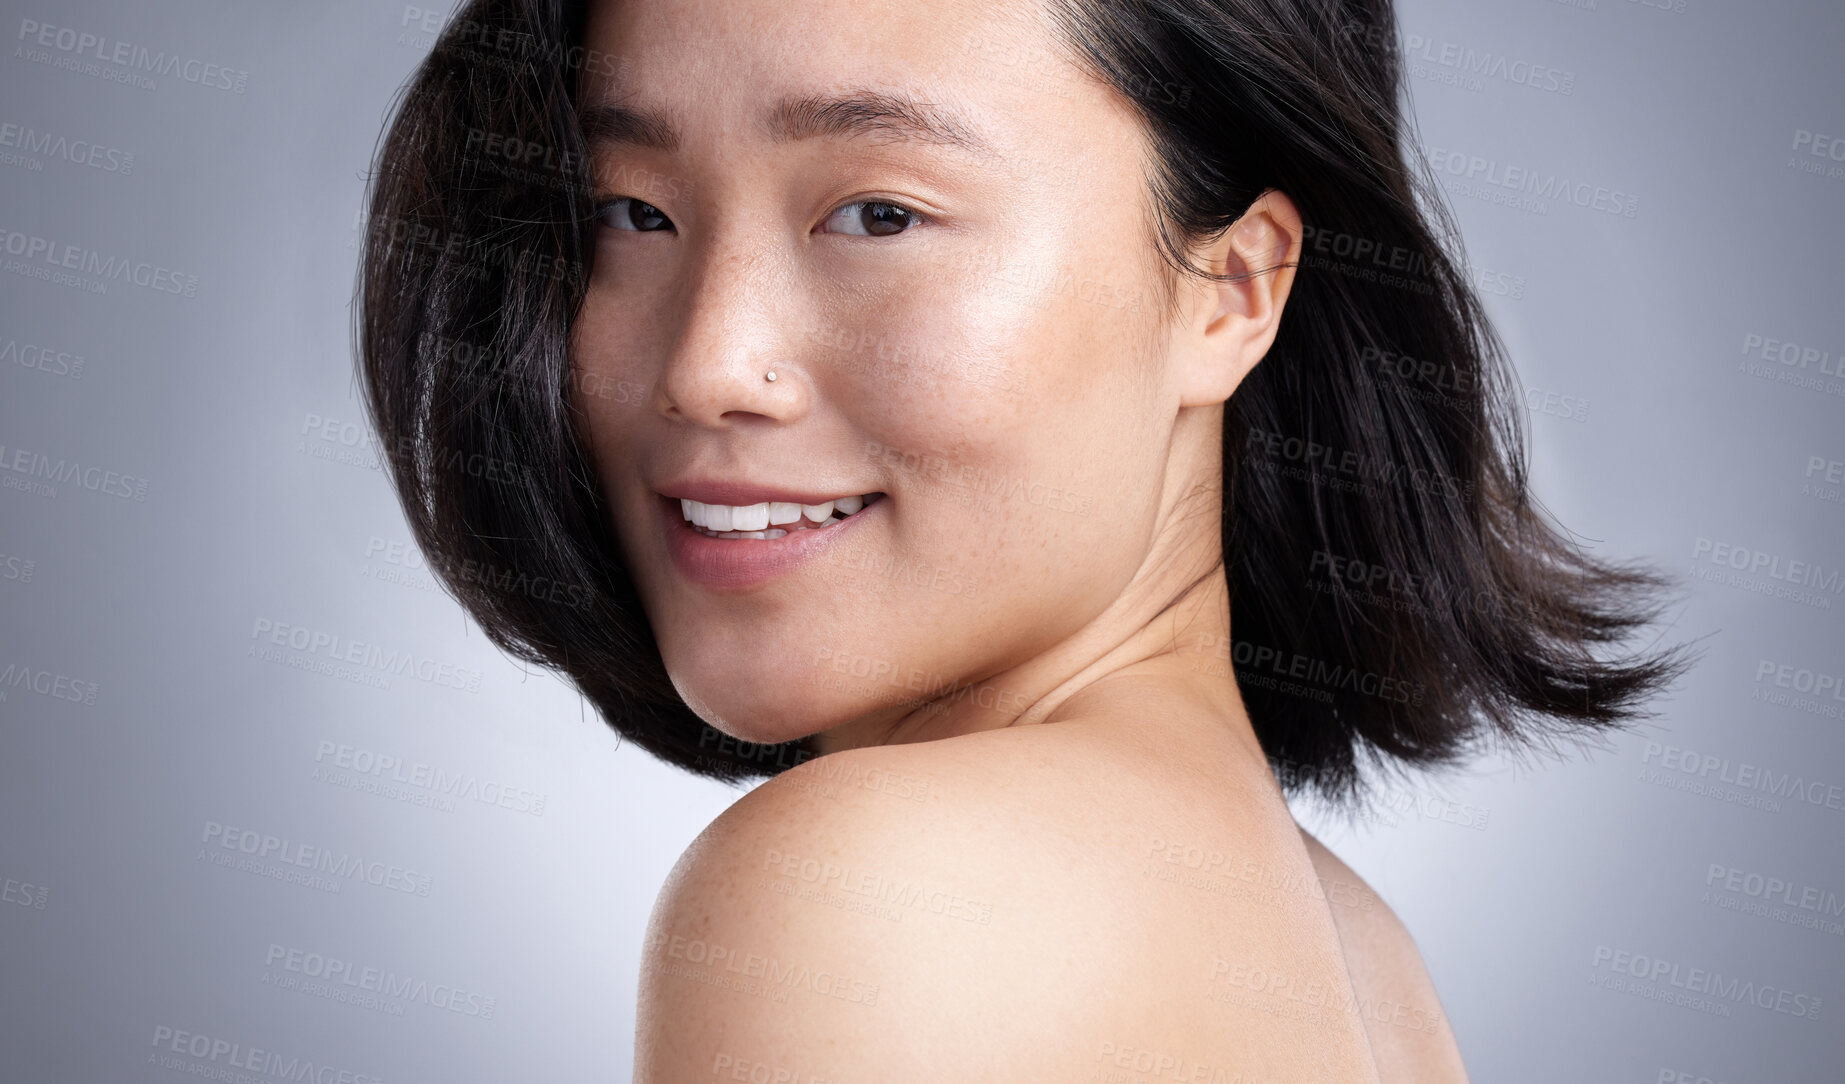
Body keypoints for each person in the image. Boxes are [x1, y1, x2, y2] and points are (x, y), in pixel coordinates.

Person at [356, 0, 1686, 1078]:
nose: (710, 364)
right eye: (632, 212)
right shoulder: (1361, 963)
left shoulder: (875, 890)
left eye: (878, 213)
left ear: (1231, 288)